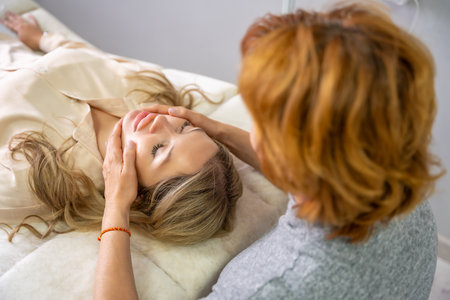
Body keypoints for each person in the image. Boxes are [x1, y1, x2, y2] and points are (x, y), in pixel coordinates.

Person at [91, 1, 445, 299]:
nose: (251, 127)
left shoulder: (270, 288)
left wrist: (116, 206)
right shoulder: (395, 181)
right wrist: (214, 131)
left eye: (259, 118)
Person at [0, 11, 242, 245]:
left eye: (158, 149)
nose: (161, 122)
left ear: (135, 192)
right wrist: (42, 38)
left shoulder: (45, 177)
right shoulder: (147, 89)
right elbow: (94, 58)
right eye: (185, 128)